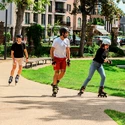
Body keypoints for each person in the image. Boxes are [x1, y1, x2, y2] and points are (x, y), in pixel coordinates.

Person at [50, 27, 70, 97]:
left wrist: (68, 59)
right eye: (66, 33)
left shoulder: (67, 40)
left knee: (63, 72)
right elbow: (52, 50)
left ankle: (55, 82)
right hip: (57, 58)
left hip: (63, 59)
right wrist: (53, 60)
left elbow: (68, 50)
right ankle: (54, 88)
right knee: (56, 72)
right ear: (63, 33)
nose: (67, 34)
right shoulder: (56, 41)